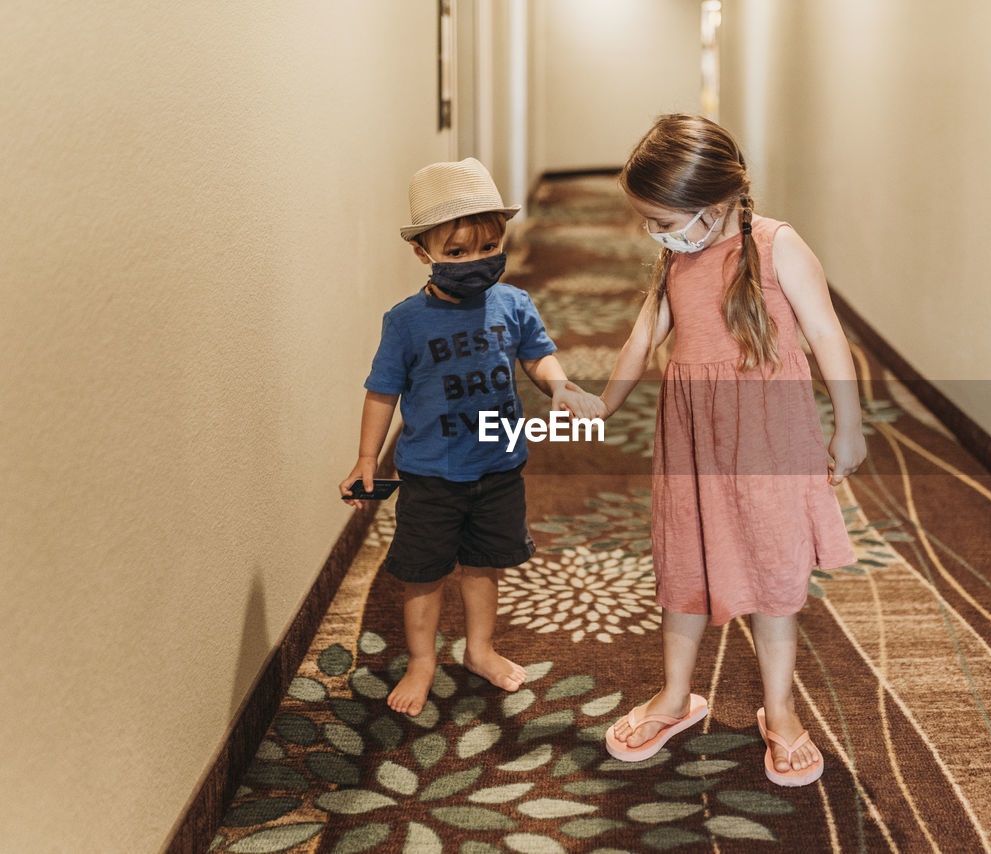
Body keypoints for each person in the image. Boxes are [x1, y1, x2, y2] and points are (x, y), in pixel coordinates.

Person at [599, 115, 866, 787]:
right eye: (648, 221)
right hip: (693, 438)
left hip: (769, 438)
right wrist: (603, 404)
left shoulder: (778, 247)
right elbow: (640, 338)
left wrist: (850, 425)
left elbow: (829, 338)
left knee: (775, 572)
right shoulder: (675, 256)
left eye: (662, 219)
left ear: (713, 205)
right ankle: (675, 694)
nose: (653, 233)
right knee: (683, 559)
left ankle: (778, 709)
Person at [341, 158, 605, 717]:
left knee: (485, 563)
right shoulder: (406, 321)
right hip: (430, 473)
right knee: (424, 571)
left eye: (488, 248)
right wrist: (368, 457)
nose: (475, 262)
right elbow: (381, 391)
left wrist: (558, 387)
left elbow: (537, 356)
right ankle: (421, 660)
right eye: (456, 253)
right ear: (424, 253)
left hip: (499, 465)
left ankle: (479, 649)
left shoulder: (513, 304)